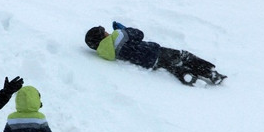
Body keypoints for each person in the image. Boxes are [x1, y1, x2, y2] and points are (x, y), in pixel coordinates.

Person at [84, 21, 226, 85]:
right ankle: (210, 73)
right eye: (104, 31)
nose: (107, 31)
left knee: (171, 66)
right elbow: (139, 34)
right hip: (153, 51)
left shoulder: (106, 53)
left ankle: (185, 75)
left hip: (147, 63)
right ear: (103, 36)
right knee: (183, 56)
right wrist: (124, 29)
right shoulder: (118, 36)